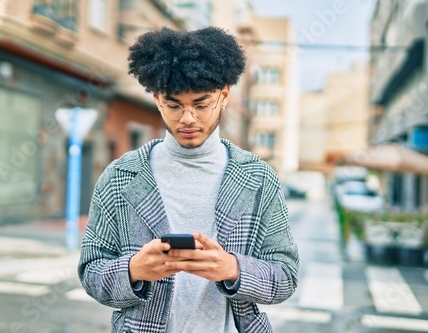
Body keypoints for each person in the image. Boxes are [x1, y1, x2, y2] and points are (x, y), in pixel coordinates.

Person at [78, 26, 299, 333]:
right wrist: (133, 270)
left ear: (223, 96)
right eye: (174, 105)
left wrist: (233, 269)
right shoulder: (120, 176)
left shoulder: (258, 178)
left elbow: (286, 275)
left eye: (200, 104)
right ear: (157, 99)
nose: (187, 119)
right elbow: (91, 270)